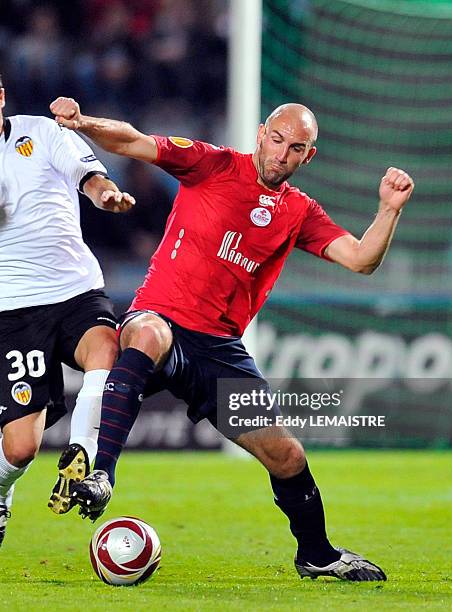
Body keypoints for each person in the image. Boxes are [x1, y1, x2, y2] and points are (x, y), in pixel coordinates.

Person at [49, 97, 415, 581]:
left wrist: (388, 210)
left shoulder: (300, 212)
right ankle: (102, 474)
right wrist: (83, 123)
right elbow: (134, 139)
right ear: (262, 133)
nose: (281, 154)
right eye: (277, 140)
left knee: (287, 455)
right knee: (147, 333)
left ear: (309, 156)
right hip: (161, 317)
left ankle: (318, 555)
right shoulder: (212, 163)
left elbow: (362, 258)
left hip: (218, 350)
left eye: (295, 148)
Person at [0, 53, 135, 561]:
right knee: (20, 448)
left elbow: (89, 175)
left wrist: (106, 195)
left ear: (3, 99)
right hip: (16, 311)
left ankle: (84, 454)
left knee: (106, 351)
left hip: (77, 290)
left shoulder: (41, 133)